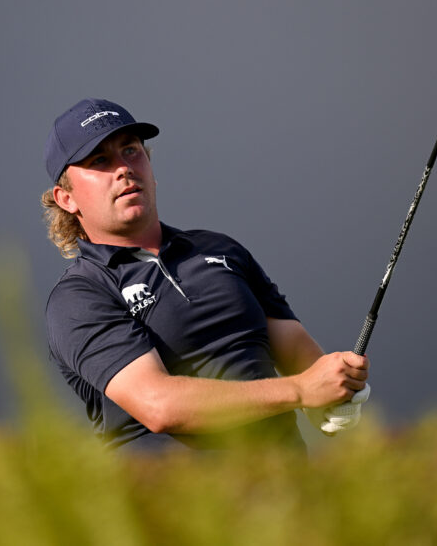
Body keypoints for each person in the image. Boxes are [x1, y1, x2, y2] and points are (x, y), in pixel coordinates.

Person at [40, 98, 370, 452]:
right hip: (173, 486)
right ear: (66, 198)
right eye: (100, 161)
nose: (123, 168)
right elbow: (159, 405)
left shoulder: (220, 248)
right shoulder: (79, 296)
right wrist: (301, 391)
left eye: (131, 151)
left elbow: (298, 353)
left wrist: (337, 385)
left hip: (283, 480)